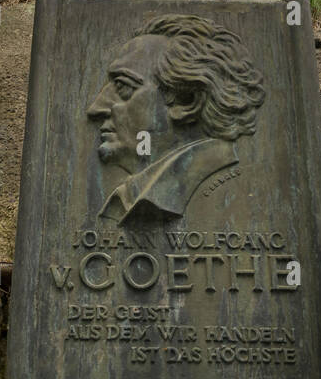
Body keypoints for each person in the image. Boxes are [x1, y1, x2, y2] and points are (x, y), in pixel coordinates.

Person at [87, 13, 265, 224]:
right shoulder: (134, 192)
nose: (95, 108)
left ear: (186, 100)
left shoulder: (241, 191)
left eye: (123, 86)